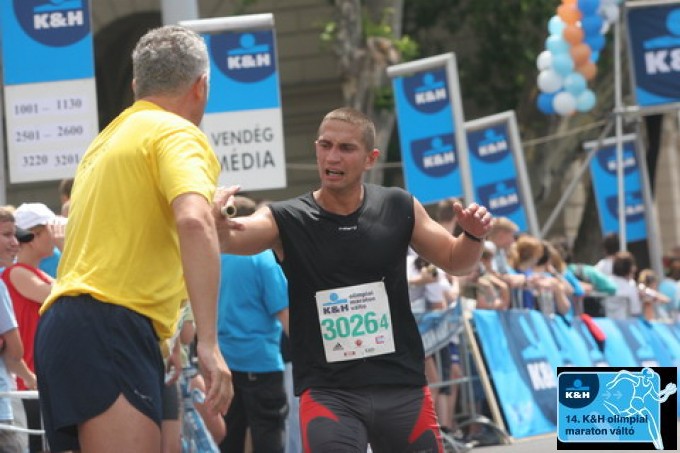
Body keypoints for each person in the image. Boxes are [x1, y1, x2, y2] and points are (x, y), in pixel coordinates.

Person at [214, 107, 492, 452]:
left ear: (370, 158)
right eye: (325, 145)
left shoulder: (398, 206)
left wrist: (473, 236)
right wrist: (216, 223)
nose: (333, 156)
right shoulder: (287, 217)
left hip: (400, 385)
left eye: (346, 148)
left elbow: (455, 260)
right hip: (329, 391)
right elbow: (234, 237)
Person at [33, 25, 232, 452]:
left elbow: (137, 234)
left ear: (136, 84)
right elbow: (193, 222)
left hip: (67, 327)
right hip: (111, 324)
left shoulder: (104, 142)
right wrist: (210, 343)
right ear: (201, 86)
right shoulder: (177, 133)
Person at [217, 196, 290, 453]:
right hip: (261, 362)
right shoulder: (261, 258)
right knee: (269, 436)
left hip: (223, 363)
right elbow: (285, 313)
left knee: (229, 438)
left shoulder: (212, 258)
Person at [2, 202, 63, 453]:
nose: (56, 235)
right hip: (25, 386)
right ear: (33, 236)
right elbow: (66, 294)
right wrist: (66, 249)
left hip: (38, 382)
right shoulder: (17, 273)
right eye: (50, 229)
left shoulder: (36, 274)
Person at [0, 208, 37, 452]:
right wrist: (31, 379)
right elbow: (14, 353)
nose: (15, 243)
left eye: (15, 235)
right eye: (7, 235)